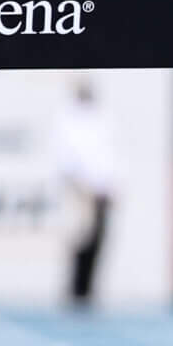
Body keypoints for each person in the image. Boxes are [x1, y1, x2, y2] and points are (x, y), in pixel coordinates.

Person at [57, 79, 116, 306]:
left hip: (100, 190)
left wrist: (109, 185)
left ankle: (87, 287)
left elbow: (107, 156)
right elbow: (67, 157)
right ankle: (77, 288)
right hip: (81, 188)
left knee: (97, 239)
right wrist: (79, 183)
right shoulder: (69, 120)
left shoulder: (100, 120)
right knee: (81, 237)